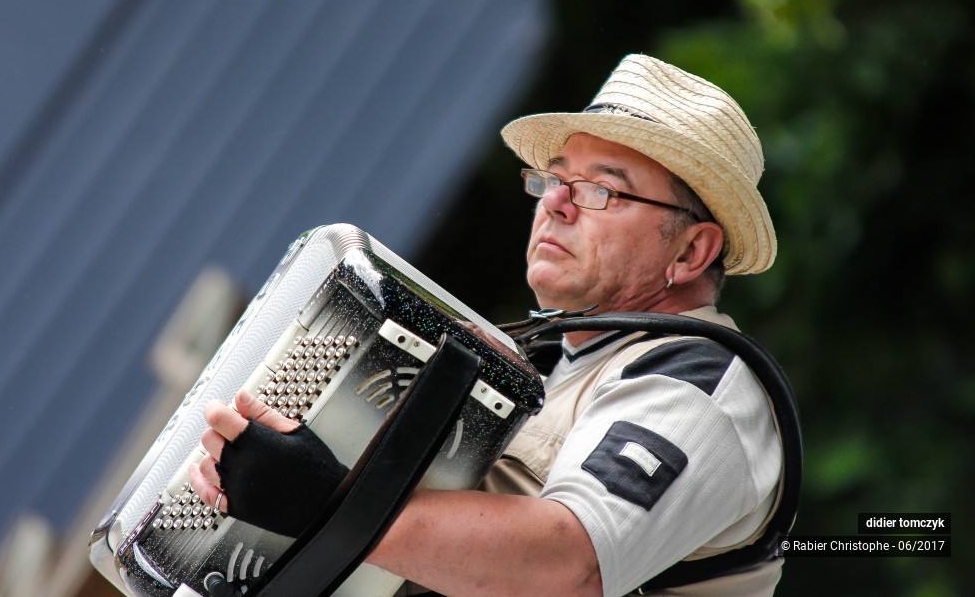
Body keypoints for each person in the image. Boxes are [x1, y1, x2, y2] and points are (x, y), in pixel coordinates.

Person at [190, 53, 787, 596]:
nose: (555, 202)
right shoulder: (544, 364)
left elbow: (570, 565)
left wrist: (324, 501)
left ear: (690, 253)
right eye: (554, 179)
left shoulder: (703, 383)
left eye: (603, 190)